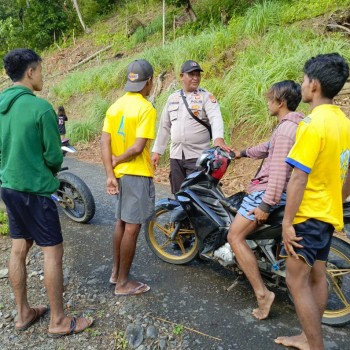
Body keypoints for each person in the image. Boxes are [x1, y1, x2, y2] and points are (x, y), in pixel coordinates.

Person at [0, 48, 93, 336]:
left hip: (9, 187)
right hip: (36, 190)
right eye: (40, 70)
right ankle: (58, 321)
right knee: (53, 252)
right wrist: (46, 167)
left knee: (18, 248)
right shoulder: (40, 108)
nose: (42, 75)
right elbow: (54, 157)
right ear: (30, 72)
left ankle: (23, 313)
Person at [275, 54, 350, 350]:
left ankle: (315, 346)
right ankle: (308, 338)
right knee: (317, 275)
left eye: (305, 80)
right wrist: (337, 202)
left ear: (314, 85)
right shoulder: (344, 122)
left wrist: (287, 222)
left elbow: (298, 178)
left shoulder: (312, 124)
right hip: (327, 215)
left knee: (296, 280)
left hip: (307, 216)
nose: (302, 85)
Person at [216, 80, 303, 320]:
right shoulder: (292, 125)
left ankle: (263, 294)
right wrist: (241, 153)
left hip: (268, 193)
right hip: (284, 193)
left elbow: (278, 173)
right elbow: (267, 147)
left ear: (281, 102)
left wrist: (265, 204)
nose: (267, 103)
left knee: (234, 236)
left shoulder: (285, 131)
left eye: (270, 99)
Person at [101, 59, 156, 296]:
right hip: (136, 174)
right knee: (132, 228)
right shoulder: (146, 108)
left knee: (121, 223)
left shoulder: (114, 107)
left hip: (121, 176)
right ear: (149, 82)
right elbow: (137, 147)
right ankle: (123, 283)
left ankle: (116, 273)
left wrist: (109, 173)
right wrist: (118, 161)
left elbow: (105, 141)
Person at [152, 60, 231, 194]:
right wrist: (157, 151)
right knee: (179, 194)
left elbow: (215, 117)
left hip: (197, 156)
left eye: (198, 75)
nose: (195, 78)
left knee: (197, 195)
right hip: (176, 156)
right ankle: (181, 215)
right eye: (191, 74)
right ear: (182, 76)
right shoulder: (173, 98)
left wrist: (218, 139)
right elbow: (164, 126)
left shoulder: (206, 97)